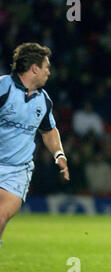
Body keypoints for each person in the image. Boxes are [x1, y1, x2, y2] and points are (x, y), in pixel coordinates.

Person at [0, 42, 70, 248]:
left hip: (17, 171)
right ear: (34, 68)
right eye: (46, 67)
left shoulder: (43, 100)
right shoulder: (3, 88)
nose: (49, 71)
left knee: (1, 217)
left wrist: (59, 154)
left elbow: (48, 131)